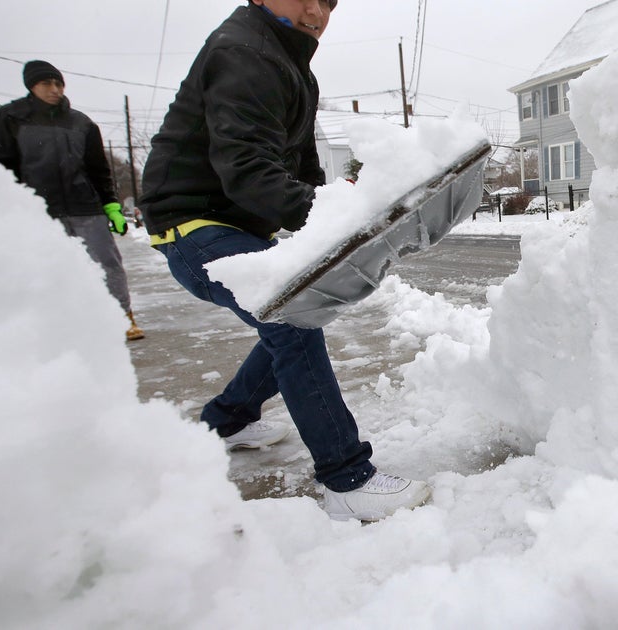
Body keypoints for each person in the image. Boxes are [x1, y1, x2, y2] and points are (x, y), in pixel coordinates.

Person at [139, 0, 430, 522]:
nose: (317, 11)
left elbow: (301, 167)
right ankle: (346, 478)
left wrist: (337, 217)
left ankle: (226, 421)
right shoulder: (245, 52)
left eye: (329, 2)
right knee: (292, 317)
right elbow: (248, 169)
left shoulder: (287, 60)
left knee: (295, 312)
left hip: (227, 222)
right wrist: (336, 217)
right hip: (192, 225)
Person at [0, 60, 145, 342]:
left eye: (58, 83)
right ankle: (59, 322)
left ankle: (122, 315)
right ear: (31, 85)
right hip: (38, 209)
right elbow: (3, 166)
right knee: (46, 266)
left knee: (108, 263)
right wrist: (8, 205)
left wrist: (110, 205)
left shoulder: (81, 123)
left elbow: (98, 169)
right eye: (47, 83)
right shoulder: (10, 118)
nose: (54, 90)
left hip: (85, 205)